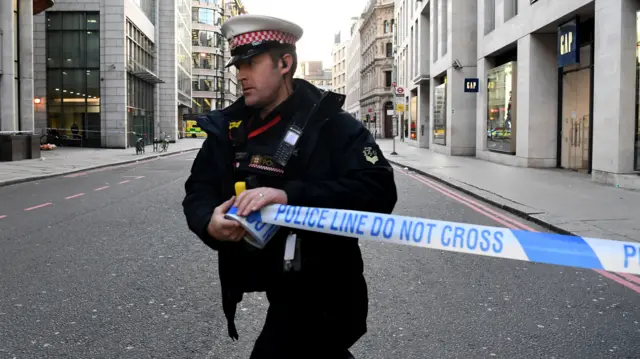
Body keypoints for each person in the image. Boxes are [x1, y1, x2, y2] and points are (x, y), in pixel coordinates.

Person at [182, 14, 398, 359]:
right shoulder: (231, 128)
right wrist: (208, 220)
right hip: (275, 284)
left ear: (285, 63)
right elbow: (199, 188)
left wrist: (289, 196)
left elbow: (379, 191)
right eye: (238, 66)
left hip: (326, 290)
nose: (241, 75)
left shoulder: (333, 126)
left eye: (251, 63)